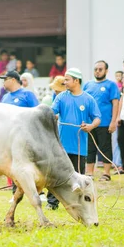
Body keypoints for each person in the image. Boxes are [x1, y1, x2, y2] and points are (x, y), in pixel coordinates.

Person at [50, 68, 101, 210]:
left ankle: (77, 204)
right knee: (57, 174)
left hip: (79, 146)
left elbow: (97, 117)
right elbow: (52, 112)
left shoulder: (88, 99)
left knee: (78, 177)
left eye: (67, 79)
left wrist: (91, 126)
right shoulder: (61, 97)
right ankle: (52, 203)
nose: (64, 82)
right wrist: (52, 117)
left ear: (76, 81)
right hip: (62, 146)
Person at [0, 70, 39, 199]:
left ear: (12, 80)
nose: (3, 82)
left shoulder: (27, 94)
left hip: (26, 136)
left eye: (5, 79)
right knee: (13, 166)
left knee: (30, 165)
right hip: (8, 138)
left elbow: (37, 114)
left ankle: (38, 191)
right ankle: (15, 192)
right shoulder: (5, 97)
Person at [83, 60, 120, 181]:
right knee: (89, 148)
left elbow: (115, 103)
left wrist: (113, 121)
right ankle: (89, 173)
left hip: (105, 123)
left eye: (100, 69)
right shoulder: (87, 85)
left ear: (106, 71)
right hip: (89, 123)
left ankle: (106, 173)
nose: (97, 72)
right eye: (96, 69)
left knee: (105, 147)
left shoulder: (111, 85)